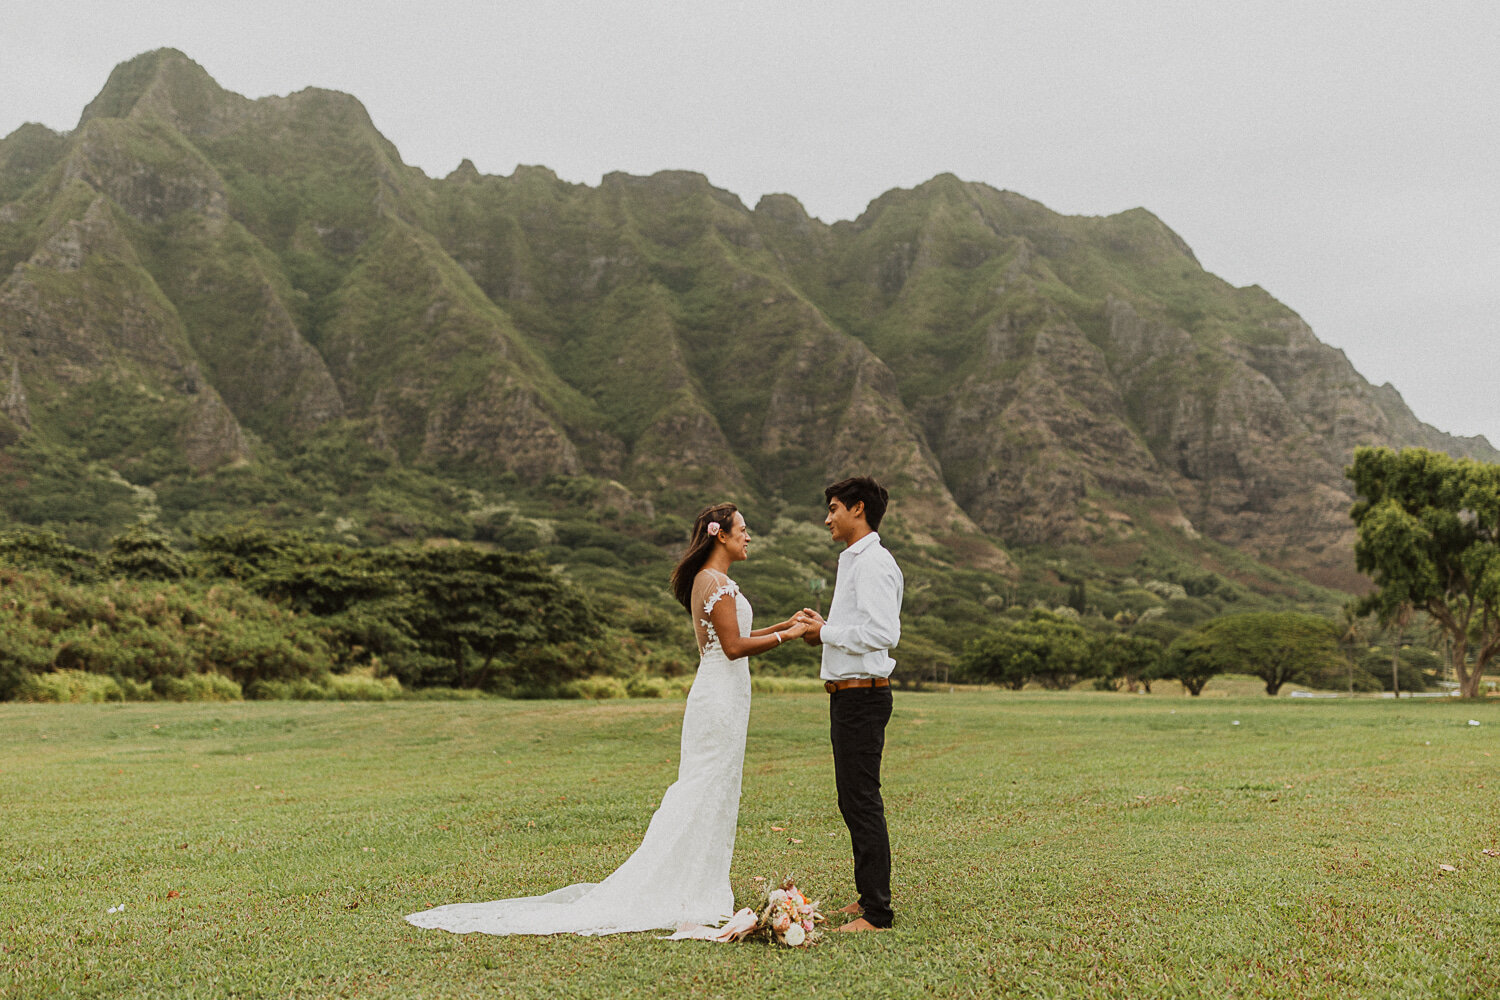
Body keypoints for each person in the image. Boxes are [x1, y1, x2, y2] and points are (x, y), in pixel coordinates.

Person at [405, 502, 808, 936]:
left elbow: (738, 636)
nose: (749, 537)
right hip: (718, 699)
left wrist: (784, 623)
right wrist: (789, 635)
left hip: (724, 696)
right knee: (702, 786)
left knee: (717, 786)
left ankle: (698, 884)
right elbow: (732, 647)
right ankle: (680, 885)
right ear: (721, 535)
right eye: (743, 530)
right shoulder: (713, 582)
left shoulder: (714, 581)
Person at [795, 477, 903, 933]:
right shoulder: (853, 561)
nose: (827, 518)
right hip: (849, 695)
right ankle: (866, 900)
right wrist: (826, 626)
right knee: (852, 800)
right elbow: (857, 627)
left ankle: (877, 914)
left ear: (858, 509)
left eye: (834, 508)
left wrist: (826, 633)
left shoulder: (874, 563)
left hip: (863, 696)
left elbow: (884, 634)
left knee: (861, 801)